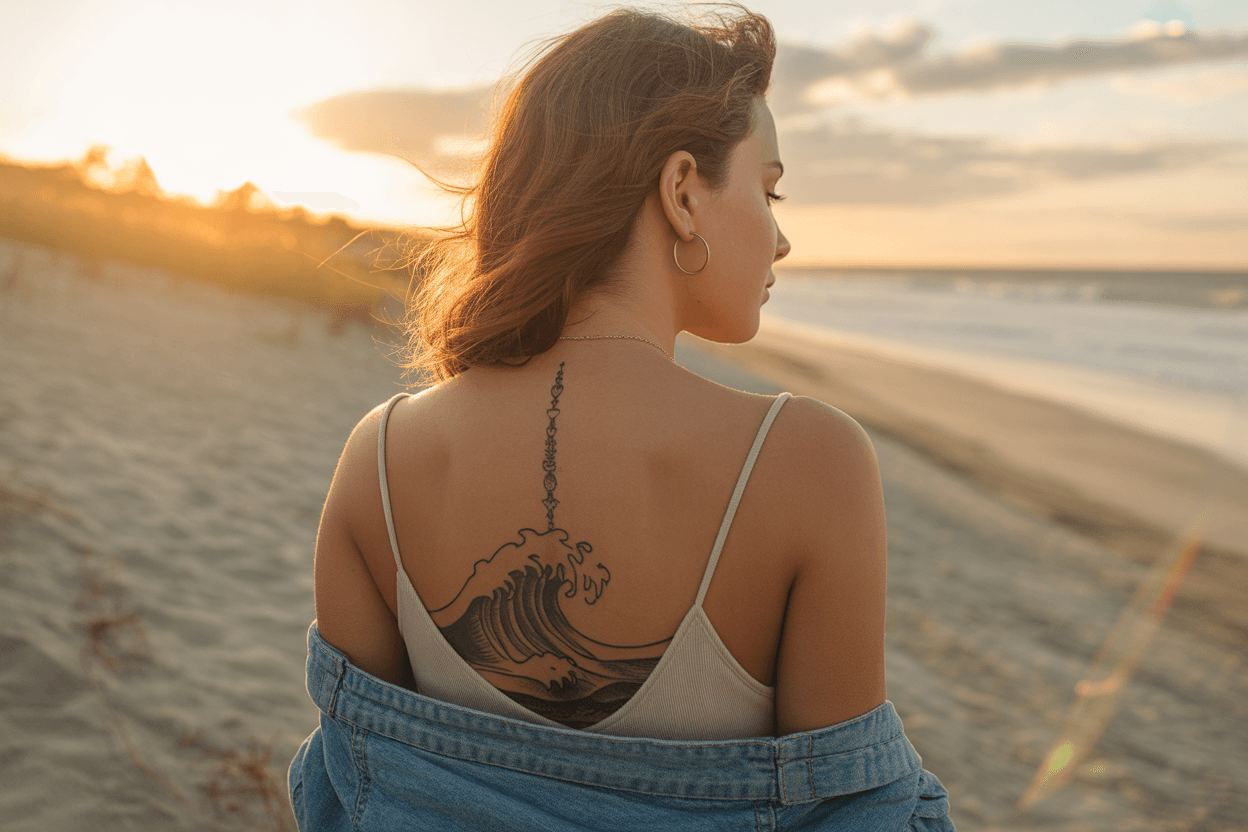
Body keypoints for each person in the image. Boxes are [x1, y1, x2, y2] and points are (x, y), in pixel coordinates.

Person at [289, 6, 954, 830]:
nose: (781, 239)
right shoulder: (806, 459)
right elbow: (857, 817)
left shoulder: (380, 457)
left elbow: (344, 793)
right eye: (769, 189)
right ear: (682, 193)